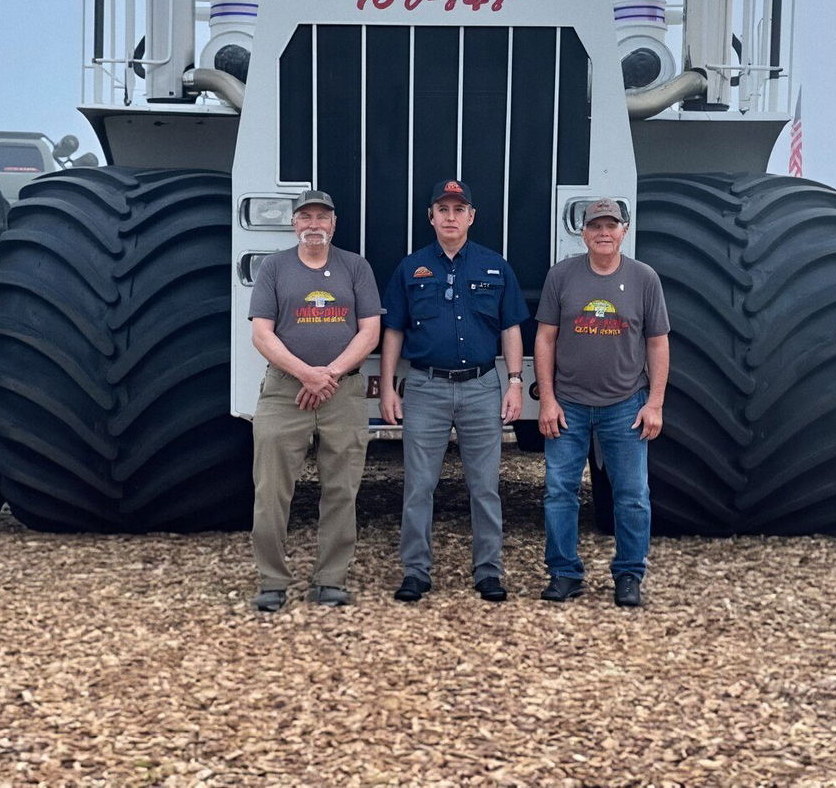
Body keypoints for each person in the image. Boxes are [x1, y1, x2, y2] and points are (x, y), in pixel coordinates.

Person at [380, 179, 529, 602]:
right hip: (426, 388)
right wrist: (388, 388)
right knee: (419, 486)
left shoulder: (495, 266)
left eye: (458, 209)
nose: (450, 217)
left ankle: (488, 572)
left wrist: (515, 382)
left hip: (481, 388)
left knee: (485, 487)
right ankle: (415, 572)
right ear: (431, 217)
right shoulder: (410, 268)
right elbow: (393, 331)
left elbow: (511, 329)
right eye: (443, 209)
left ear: (471, 217)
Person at [248, 189, 384, 611]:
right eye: (305, 217)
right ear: (294, 224)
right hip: (284, 392)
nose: (314, 225)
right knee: (271, 491)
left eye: (322, 217)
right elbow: (262, 334)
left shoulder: (356, 267)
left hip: (342, 393)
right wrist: (306, 373)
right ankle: (272, 581)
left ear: (334, 224)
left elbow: (370, 331)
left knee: (342, 489)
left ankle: (331, 580)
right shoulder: (274, 268)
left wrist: (330, 374)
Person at [535, 198, 669, 608]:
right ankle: (564, 574)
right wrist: (547, 400)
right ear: (583, 233)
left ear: (624, 230)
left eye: (611, 226)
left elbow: (657, 343)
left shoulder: (644, 278)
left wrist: (655, 404)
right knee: (559, 492)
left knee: (632, 495)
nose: (603, 233)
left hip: (626, 404)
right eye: (595, 226)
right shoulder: (561, 276)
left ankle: (629, 575)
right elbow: (545, 339)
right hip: (569, 405)